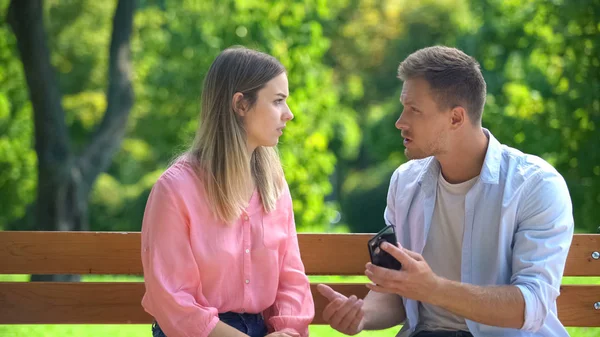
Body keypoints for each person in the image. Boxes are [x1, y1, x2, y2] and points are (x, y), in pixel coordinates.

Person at [317, 46, 574, 337]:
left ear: (455, 118)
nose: (400, 122)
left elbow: (532, 305)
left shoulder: (536, 186)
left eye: (414, 110)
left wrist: (435, 289)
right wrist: (363, 315)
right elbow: (399, 292)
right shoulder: (405, 181)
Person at [140, 46, 314, 337]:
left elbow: (290, 278)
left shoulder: (274, 185)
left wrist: (289, 331)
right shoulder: (176, 189)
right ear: (241, 104)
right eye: (278, 101)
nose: (289, 114)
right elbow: (173, 300)